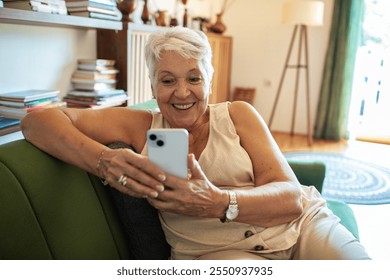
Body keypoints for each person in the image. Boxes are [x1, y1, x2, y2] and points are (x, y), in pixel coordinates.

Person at [21, 26, 370, 260]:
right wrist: (103, 162)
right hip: (218, 254)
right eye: (167, 80)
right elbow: (36, 120)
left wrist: (219, 202)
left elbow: (292, 199)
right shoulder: (140, 125)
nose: (182, 92)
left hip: (302, 227)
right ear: (153, 86)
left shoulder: (238, 115)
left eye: (194, 78)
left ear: (209, 81)